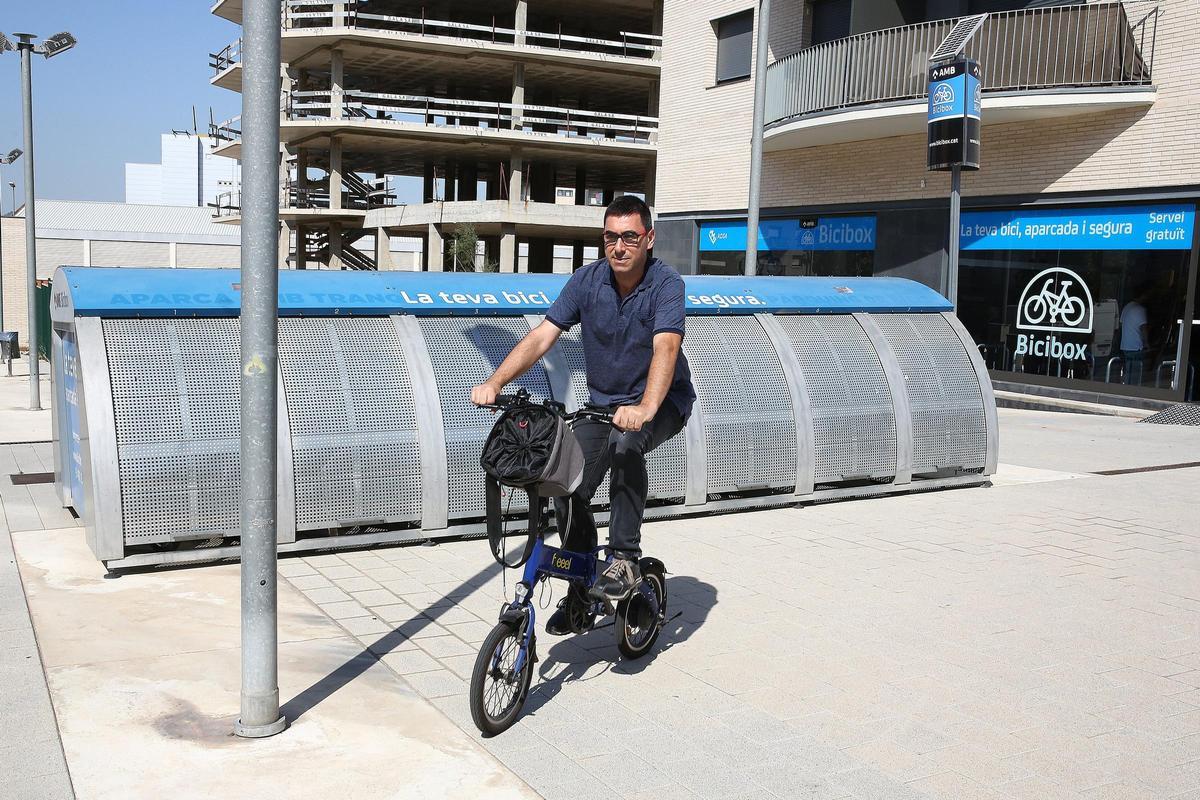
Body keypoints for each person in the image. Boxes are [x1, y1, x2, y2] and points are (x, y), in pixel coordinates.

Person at [470, 195, 696, 635]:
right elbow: (543, 336)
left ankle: (624, 557)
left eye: (629, 237)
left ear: (649, 239)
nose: (619, 247)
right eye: (610, 237)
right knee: (564, 475)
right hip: (604, 405)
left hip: (662, 401)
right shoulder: (587, 281)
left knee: (626, 444)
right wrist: (495, 382)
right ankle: (581, 583)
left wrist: (646, 408)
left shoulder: (666, 284)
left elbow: (666, 347)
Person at [1120, 283, 1152, 385]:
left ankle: (1127, 387)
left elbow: (1121, 324)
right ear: (1143, 295)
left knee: (1128, 372)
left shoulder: (1127, 307)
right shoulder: (1140, 310)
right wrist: (1146, 344)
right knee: (1136, 375)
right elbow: (1143, 328)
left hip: (1125, 346)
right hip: (1136, 347)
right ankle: (1133, 389)